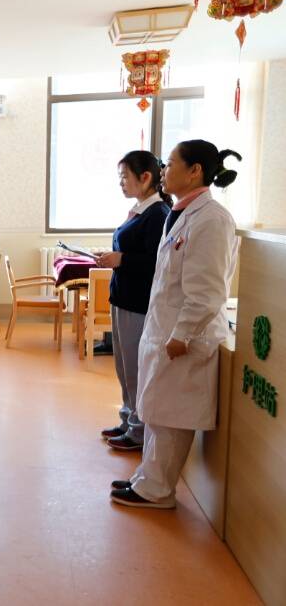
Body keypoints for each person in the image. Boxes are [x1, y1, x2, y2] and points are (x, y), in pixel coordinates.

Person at [111, 140, 240, 509]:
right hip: (165, 329)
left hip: (185, 337)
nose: (164, 171)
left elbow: (208, 290)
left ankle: (157, 490)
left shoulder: (212, 219)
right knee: (156, 410)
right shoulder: (183, 214)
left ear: (194, 171)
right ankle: (147, 478)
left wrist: (182, 333)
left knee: (170, 415)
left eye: (170, 164)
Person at [96, 151, 171, 452]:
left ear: (146, 177)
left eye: (125, 177)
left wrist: (121, 259)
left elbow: (156, 262)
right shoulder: (140, 210)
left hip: (138, 302)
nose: (121, 183)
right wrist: (115, 257)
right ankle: (127, 419)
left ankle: (138, 429)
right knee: (124, 366)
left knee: (136, 369)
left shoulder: (158, 214)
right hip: (123, 298)